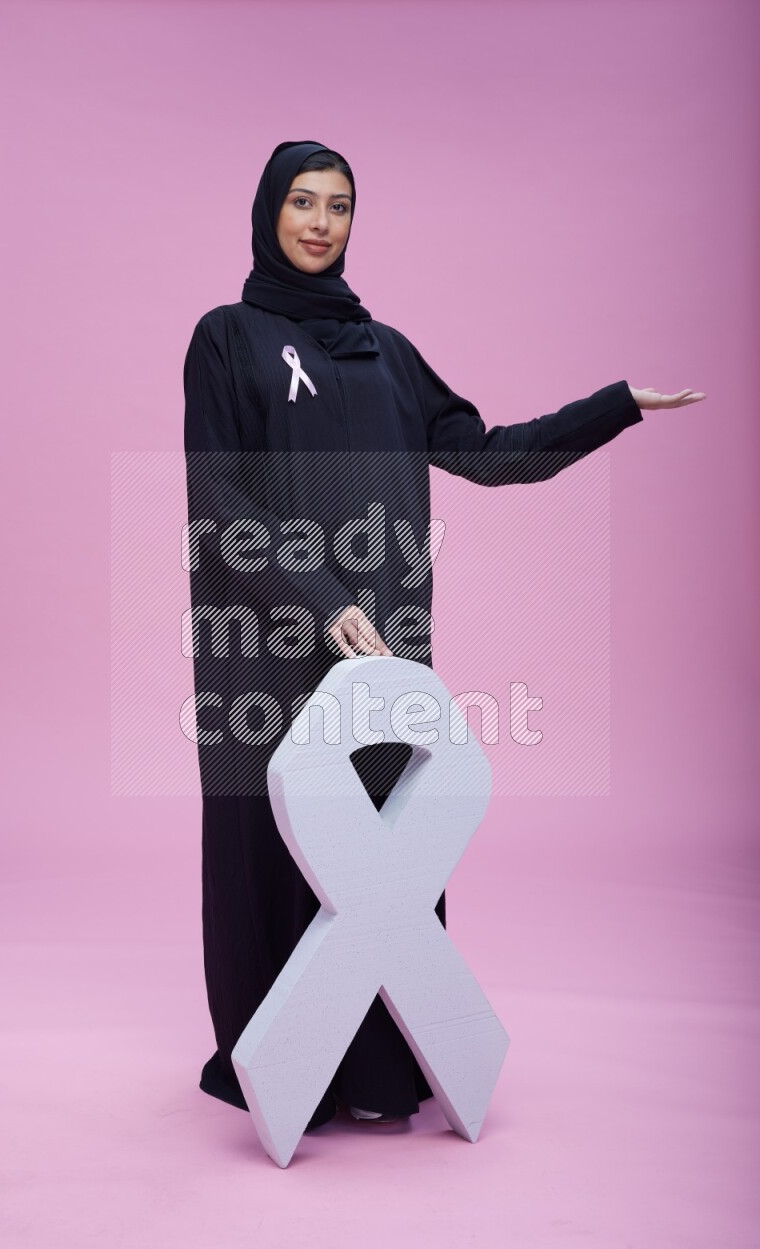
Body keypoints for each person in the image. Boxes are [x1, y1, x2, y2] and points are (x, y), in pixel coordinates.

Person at [183, 139, 705, 1131]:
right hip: (269, 641)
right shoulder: (228, 338)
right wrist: (318, 594)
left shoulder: (385, 352)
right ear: (268, 211)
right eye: (302, 201)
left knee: (381, 853)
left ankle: (375, 1070)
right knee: (277, 846)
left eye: (338, 205)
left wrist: (613, 409)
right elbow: (218, 497)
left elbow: (488, 451)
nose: (319, 222)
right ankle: (281, 1070)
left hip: (380, 652)